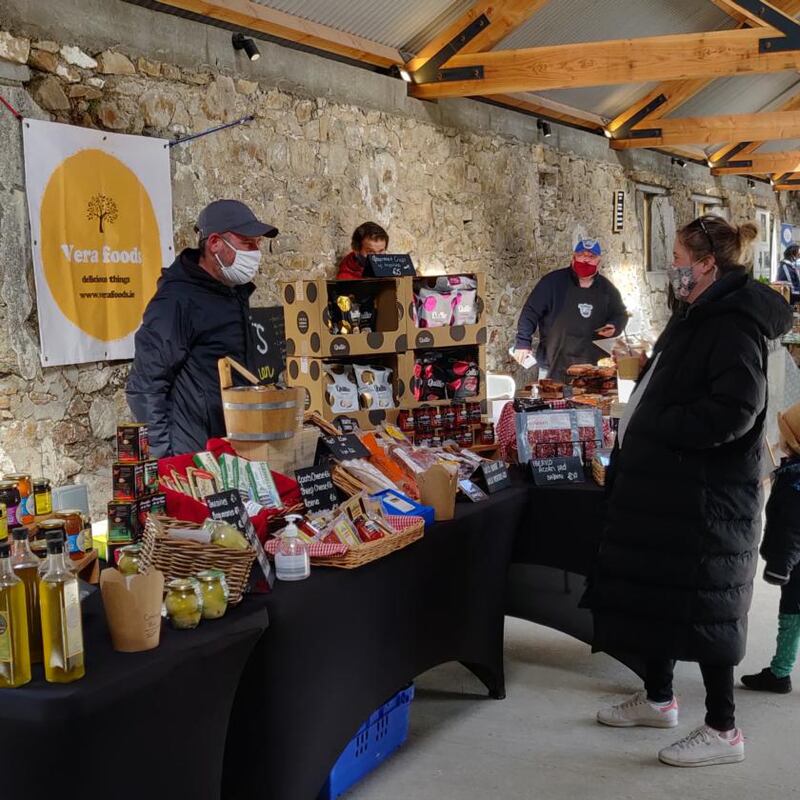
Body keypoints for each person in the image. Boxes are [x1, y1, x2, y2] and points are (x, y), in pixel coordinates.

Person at [587, 215, 792, 767]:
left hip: (707, 499)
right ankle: (658, 698)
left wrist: (660, 427)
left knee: (709, 611)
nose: (672, 266)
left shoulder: (732, 325)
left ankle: (724, 729)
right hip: (670, 492)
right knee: (662, 591)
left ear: (706, 264)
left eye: (678, 256)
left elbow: (735, 410)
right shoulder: (697, 313)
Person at [126, 199, 279, 458]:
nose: (255, 253)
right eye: (247, 243)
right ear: (215, 243)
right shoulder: (176, 300)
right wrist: (167, 460)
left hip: (229, 445)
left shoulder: (232, 292)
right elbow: (146, 385)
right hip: (194, 451)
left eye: (258, 244)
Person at [741, 402, 800, 694]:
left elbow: (792, 528)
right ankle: (780, 672)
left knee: (791, 618)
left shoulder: (795, 482)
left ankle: (780, 674)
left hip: (796, 570)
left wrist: (779, 566)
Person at [512, 238, 628, 381]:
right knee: (551, 401)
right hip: (554, 363)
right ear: (573, 257)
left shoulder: (607, 289)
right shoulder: (552, 283)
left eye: (591, 257)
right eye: (581, 255)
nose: (585, 260)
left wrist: (614, 326)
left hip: (593, 368)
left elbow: (620, 314)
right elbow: (530, 312)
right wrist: (523, 342)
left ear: (599, 261)